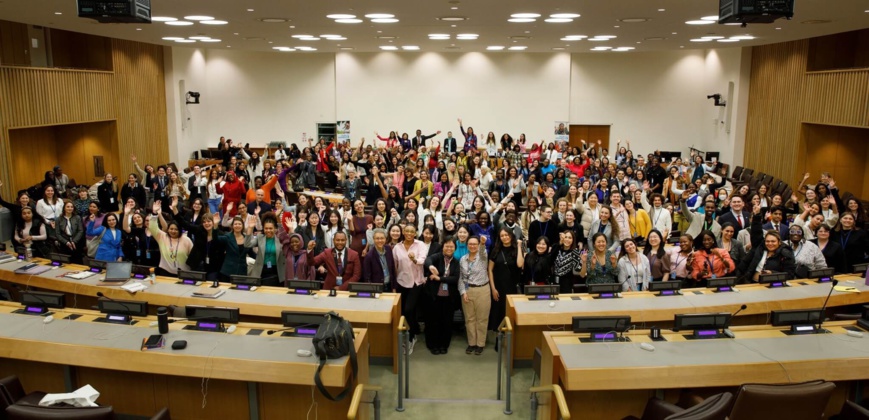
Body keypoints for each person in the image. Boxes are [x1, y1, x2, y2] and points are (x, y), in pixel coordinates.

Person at [391, 224, 427, 354]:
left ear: (415, 233)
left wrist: (414, 259)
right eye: (407, 231)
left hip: (416, 283)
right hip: (401, 282)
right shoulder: (397, 247)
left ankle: (412, 336)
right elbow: (395, 266)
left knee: (409, 309)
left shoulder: (420, 245)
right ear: (403, 232)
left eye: (412, 231)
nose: (409, 233)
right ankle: (410, 334)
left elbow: (422, 260)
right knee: (403, 312)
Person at [424, 237, 461, 355]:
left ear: (455, 248)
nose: (449, 248)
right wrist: (431, 267)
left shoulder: (456, 262)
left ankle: (444, 345)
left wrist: (439, 278)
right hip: (434, 296)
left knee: (446, 322)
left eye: (451, 246)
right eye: (447, 246)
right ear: (443, 247)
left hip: (448, 297)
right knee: (433, 321)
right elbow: (427, 260)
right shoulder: (437, 257)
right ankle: (432, 345)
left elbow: (455, 279)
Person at [488, 229, 524, 331]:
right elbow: (490, 270)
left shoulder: (517, 249)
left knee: (510, 313)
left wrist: (519, 246)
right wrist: (493, 288)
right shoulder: (496, 250)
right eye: (502, 236)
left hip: (512, 287)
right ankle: (498, 341)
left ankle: (510, 340)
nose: (505, 237)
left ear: (511, 236)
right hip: (498, 287)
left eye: (507, 235)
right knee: (498, 313)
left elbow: (520, 264)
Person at [459, 236, 489, 355]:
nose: (472, 246)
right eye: (470, 244)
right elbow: (461, 278)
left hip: (482, 290)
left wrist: (482, 243)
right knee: (469, 319)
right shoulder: (463, 259)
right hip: (468, 289)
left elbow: (483, 251)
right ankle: (472, 343)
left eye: (475, 244)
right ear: (467, 245)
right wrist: (463, 292)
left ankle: (480, 344)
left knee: (482, 319)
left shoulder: (482, 257)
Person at [149, 201, 193, 276]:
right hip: (165, 271)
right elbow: (152, 228)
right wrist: (154, 213)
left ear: (180, 230)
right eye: (171, 229)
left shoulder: (186, 240)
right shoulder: (162, 237)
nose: (173, 231)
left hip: (183, 273)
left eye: (176, 229)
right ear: (168, 229)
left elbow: (193, 257)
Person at [216, 215, 250, 281]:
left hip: (241, 272)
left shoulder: (246, 238)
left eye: (239, 224)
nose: (237, 226)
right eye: (235, 224)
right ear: (232, 226)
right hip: (227, 272)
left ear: (243, 226)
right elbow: (216, 239)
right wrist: (215, 226)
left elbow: (251, 252)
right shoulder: (227, 237)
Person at [55, 199, 85, 263]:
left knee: (78, 261)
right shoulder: (58, 219)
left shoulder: (77, 217)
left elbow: (80, 231)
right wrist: (66, 242)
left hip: (76, 243)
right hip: (64, 244)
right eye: (68, 207)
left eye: (71, 207)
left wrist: (74, 241)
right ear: (64, 208)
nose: (70, 208)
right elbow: (58, 234)